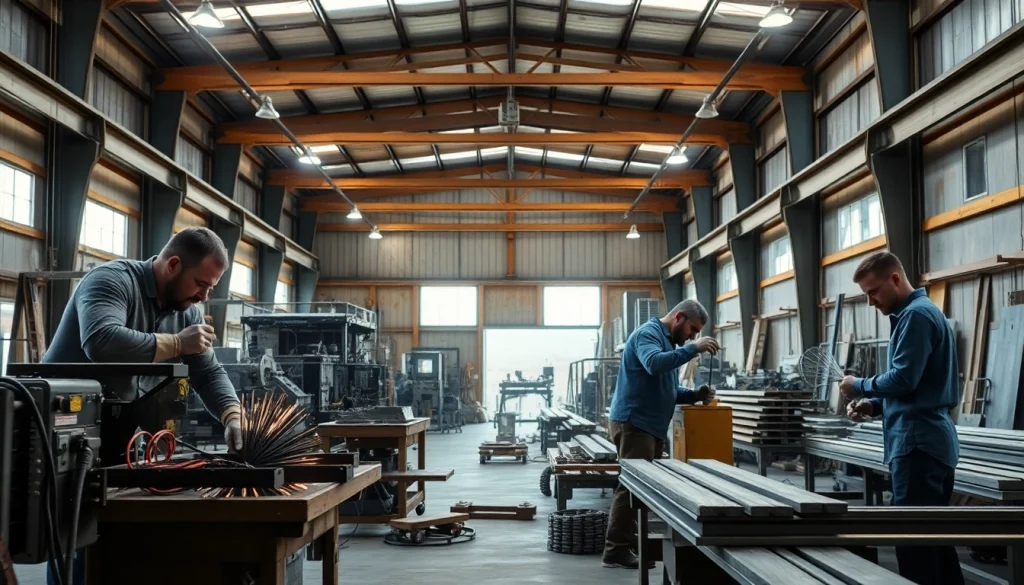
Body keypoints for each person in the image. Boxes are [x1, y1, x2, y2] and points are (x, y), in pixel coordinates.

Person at [43, 227, 244, 585]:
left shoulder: (188, 313)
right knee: (74, 535)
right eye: (200, 283)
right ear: (173, 264)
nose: (203, 295)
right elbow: (101, 341)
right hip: (66, 428)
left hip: (123, 430)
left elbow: (208, 373)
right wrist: (176, 344)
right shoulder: (111, 280)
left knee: (120, 535)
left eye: (210, 287)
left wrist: (232, 414)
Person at [839, 251, 963, 585]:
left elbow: (904, 378)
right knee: (935, 541)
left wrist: (858, 385)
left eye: (873, 292)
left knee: (914, 543)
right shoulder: (920, 313)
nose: (870, 302)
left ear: (895, 278)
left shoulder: (916, 316)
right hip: (926, 441)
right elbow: (917, 385)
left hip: (918, 444)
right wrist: (874, 405)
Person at [602, 299, 720, 570]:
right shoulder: (648, 334)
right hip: (635, 423)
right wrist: (693, 349)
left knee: (642, 489)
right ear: (679, 317)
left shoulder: (668, 343)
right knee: (631, 488)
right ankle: (615, 550)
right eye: (692, 329)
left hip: (649, 426)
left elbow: (668, 388)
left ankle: (630, 543)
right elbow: (654, 364)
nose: (693, 336)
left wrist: (695, 395)